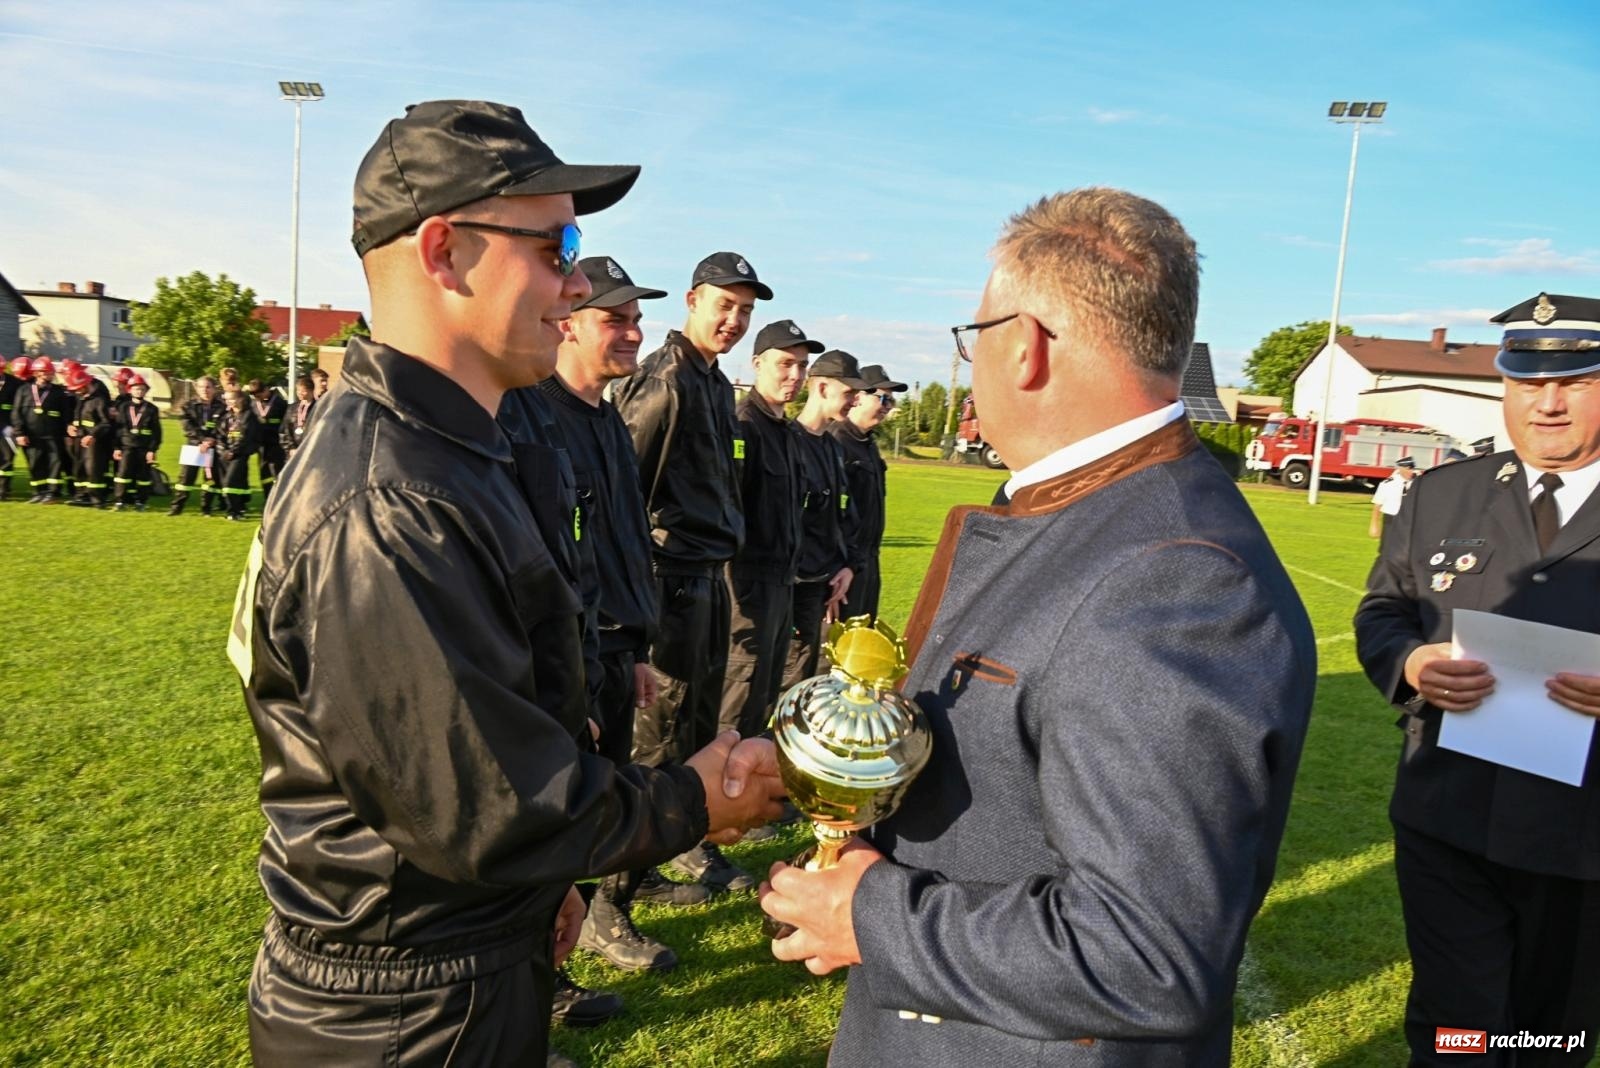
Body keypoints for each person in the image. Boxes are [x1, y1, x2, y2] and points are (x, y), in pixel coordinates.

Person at [235, 99, 783, 1067]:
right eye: (553, 244)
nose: (571, 283)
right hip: (402, 1014)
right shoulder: (389, 497)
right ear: (443, 252)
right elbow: (490, 807)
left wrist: (543, 889)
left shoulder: (451, 450)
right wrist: (695, 802)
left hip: (461, 960)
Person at [759, 187, 1317, 1066]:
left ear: (1025, 348)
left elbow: (1146, 956)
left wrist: (870, 915)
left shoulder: (1176, 580)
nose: (972, 361)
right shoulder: (1088, 509)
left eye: (973, 337)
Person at [1354, 292, 1600, 1067]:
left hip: (1584, 833)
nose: (1549, 404)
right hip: (1448, 811)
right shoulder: (1442, 493)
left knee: (1549, 1033)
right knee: (1454, 1029)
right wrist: (1411, 662)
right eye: (1527, 383)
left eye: (1578, 382)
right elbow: (1385, 608)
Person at [611, 251, 774, 895]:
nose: (733, 320)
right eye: (724, 305)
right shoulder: (666, 381)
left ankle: (680, 842)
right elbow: (626, 496)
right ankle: (618, 887)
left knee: (699, 723)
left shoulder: (711, 381)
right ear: (692, 300)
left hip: (710, 579)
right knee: (659, 729)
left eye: (745, 311)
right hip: (668, 581)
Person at [721, 319, 820, 743]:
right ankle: (719, 793)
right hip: (746, 591)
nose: (794, 376)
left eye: (802, 366)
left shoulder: (789, 434)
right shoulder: (743, 425)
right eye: (785, 364)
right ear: (757, 363)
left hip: (783, 587)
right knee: (737, 694)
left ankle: (748, 790)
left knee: (765, 694)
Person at [781, 349, 870, 688]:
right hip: (795, 593)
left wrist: (847, 567)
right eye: (849, 392)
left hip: (826, 589)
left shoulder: (832, 448)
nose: (855, 400)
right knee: (786, 685)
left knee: (817, 682)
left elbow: (845, 519)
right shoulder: (789, 442)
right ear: (820, 389)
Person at [830, 364, 905, 622]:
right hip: (840, 567)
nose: (887, 406)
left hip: (868, 563)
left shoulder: (868, 444)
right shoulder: (836, 442)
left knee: (862, 646)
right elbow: (826, 518)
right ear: (858, 397)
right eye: (882, 398)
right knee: (834, 653)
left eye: (891, 400)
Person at [13, 356, 69, 503]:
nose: (51, 375)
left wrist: (67, 431)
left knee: (54, 463)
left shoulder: (58, 392)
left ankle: (53, 493)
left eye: (51, 372)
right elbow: (16, 413)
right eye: (48, 372)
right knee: (35, 464)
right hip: (31, 436)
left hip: (53, 435)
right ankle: (39, 492)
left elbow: (66, 414)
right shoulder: (23, 390)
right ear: (38, 373)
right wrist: (19, 433)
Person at [169, 376, 224, 516]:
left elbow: (223, 426)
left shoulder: (222, 406)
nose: (205, 390)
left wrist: (212, 439)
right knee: (185, 478)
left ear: (214, 388)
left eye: (208, 387)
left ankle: (206, 508)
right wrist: (202, 439)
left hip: (213, 447)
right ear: (196, 388)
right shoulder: (189, 405)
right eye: (201, 387)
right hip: (194, 446)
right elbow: (186, 425)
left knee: (210, 479)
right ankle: (177, 507)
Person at [64, 366, 114, 507]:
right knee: (79, 468)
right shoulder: (80, 399)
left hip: (94, 441)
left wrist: (92, 435)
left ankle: (97, 499)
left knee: (93, 469)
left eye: (79, 387)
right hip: (79, 438)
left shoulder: (99, 400)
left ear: (86, 385)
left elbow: (105, 423)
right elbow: (77, 418)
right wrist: (71, 426)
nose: (77, 391)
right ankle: (81, 495)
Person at [111, 374, 161, 511]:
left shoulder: (152, 409)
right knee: (122, 474)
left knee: (143, 476)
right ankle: (120, 501)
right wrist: (117, 447)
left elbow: (156, 432)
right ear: (130, 390)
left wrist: (152, 450)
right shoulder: (124, 407)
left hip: (144, 448)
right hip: (127, 447)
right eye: (136, 388)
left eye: (142, 389)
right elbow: (118, 429)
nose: (139, 391)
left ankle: (141, 502)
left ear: (145, 391)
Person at [212, 389, 259, 520]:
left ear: (240, 400)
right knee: (235, 484)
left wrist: (233, 451)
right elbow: (220, 434)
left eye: (230, 399)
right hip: (225, 454)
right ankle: (238, 509)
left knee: (230, 483)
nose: (228, 402)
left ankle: (233, 511)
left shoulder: (248, 416)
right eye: (226, 399)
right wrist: (223, 450)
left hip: (240, 455)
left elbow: (244, 437)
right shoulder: (227, 416)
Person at [248, 379, 289, 503]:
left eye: (259, 395)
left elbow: (286, 424)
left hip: (276, 444)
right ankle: (267, 499)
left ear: (266, 390)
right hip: (261, 445)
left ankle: (280, 499)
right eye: (254, 396)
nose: (257, 398)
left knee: (277, 471)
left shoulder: (280, 403)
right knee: (264, 472)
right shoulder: (253, 404)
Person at [1, 356, 30, 502]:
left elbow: (18, 407)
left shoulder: (15, 383)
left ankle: (3, 490)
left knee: (7, 458)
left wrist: (16, 428)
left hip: (7, 426)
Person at [1369, 455, 1417, 538]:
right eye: (1408, 468)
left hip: (1409, 521)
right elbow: (1377, 504)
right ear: (1401, 469)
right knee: (1388, 548)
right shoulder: (1387, 484)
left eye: (1412, 468)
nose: (1411, 471)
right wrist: (1374, 525)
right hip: (1391, 520)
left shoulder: (1416, 482)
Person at [281, 375, 315, 456]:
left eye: (303, 390)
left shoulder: (317, 407)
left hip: (311, 451)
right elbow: (285, 429)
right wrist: (291, 448)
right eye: (298, 390)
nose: (299, 393)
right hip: (294, 452)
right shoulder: (292, 408)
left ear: (311, 391)